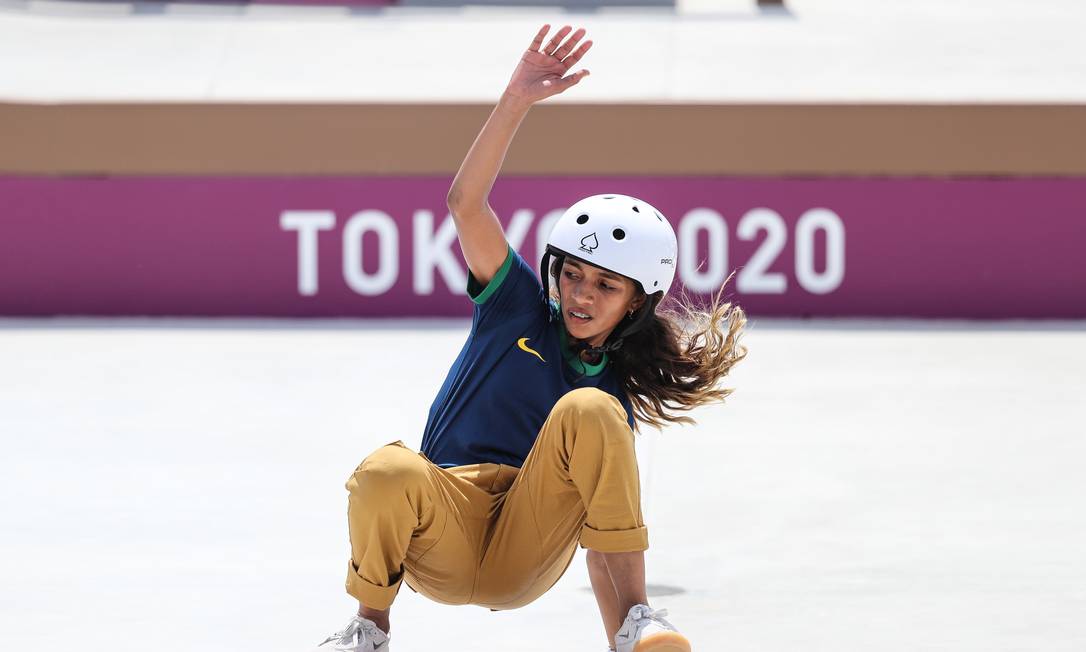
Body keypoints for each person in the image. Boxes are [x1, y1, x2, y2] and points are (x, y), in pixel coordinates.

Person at [310, 24, 747, 652]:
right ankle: (367, 630)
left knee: (592, 410)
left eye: (606, 286)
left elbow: (601, 542)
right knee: (385, 468)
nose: (582, 294)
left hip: (527, 544)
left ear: (638, 303)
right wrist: (514, 101)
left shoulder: (608, 395)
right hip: (445, 528)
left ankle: (634, 630)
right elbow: (466, 202)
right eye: (572, 273)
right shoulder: (515, 307)